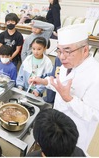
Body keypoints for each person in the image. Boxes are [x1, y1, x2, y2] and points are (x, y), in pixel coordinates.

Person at [29, 23, 99, 153]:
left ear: (85, 50)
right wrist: (44, 81)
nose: (62, 57)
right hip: (56, 127)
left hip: (76, 134)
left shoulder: (95, 74)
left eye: (67, 51)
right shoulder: (67, 64)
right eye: (59, 51)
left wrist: (69, 99)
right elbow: (59, 84)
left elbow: (95, 114)